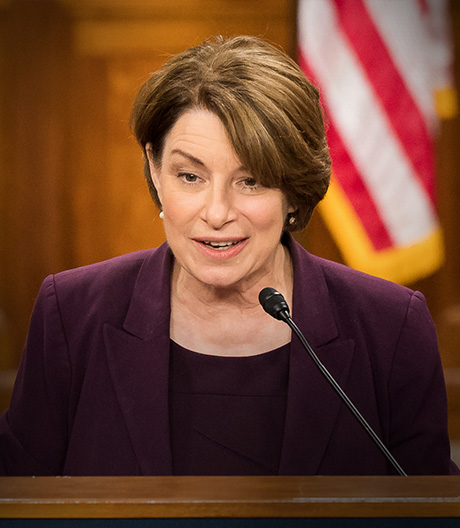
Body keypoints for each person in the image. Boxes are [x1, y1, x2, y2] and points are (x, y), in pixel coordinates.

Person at [0, 35, 458, 476]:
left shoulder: (391, 328)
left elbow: (430, 514)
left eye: (251, 180)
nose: (216, 214)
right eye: (189, 176)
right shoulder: (71, 314)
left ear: (294, 192)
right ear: (156, 171)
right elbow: (19, 505)